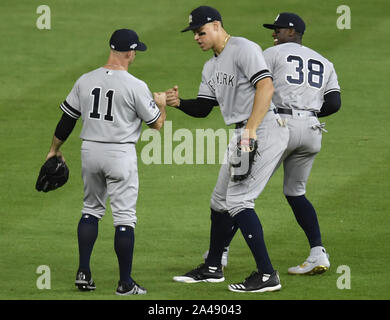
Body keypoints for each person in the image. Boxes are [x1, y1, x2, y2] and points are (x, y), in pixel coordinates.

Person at [205, 13, 341, 275]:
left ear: (292, 32)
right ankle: (317, 252)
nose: (273, 34)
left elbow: (253, 85)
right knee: (295, 192)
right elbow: (334, 103)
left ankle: (219, 254)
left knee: (240, 193)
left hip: (278, 128)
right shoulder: (325, 62)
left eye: (278, 29)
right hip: (312, 130)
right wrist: (307, 114)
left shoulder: (272, 54)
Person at [166, 6, 289, 293]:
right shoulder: (210, 66)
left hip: (263, 129)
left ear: (217, 25)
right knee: (219, 201)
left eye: (201, 31)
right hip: (243, 132)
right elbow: (204, 107)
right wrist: (178, 103)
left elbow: (266, 88)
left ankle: (267, 274)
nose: (196, 37)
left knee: (238, 201)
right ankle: (212, 267)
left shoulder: (244, 48)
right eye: (194, 34)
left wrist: (251, 132)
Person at [43, 29, 167, 295]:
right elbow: (156, 123)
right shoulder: (135, 85)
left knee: (90, 210)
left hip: (90, 151)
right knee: (124, 218)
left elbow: (67, 120)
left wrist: (54, 150)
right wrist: (162, 103)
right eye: (135, 51)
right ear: (130, 52)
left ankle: (83, 273)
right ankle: (125, 283)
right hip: (120, 155)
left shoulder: (85, 80)